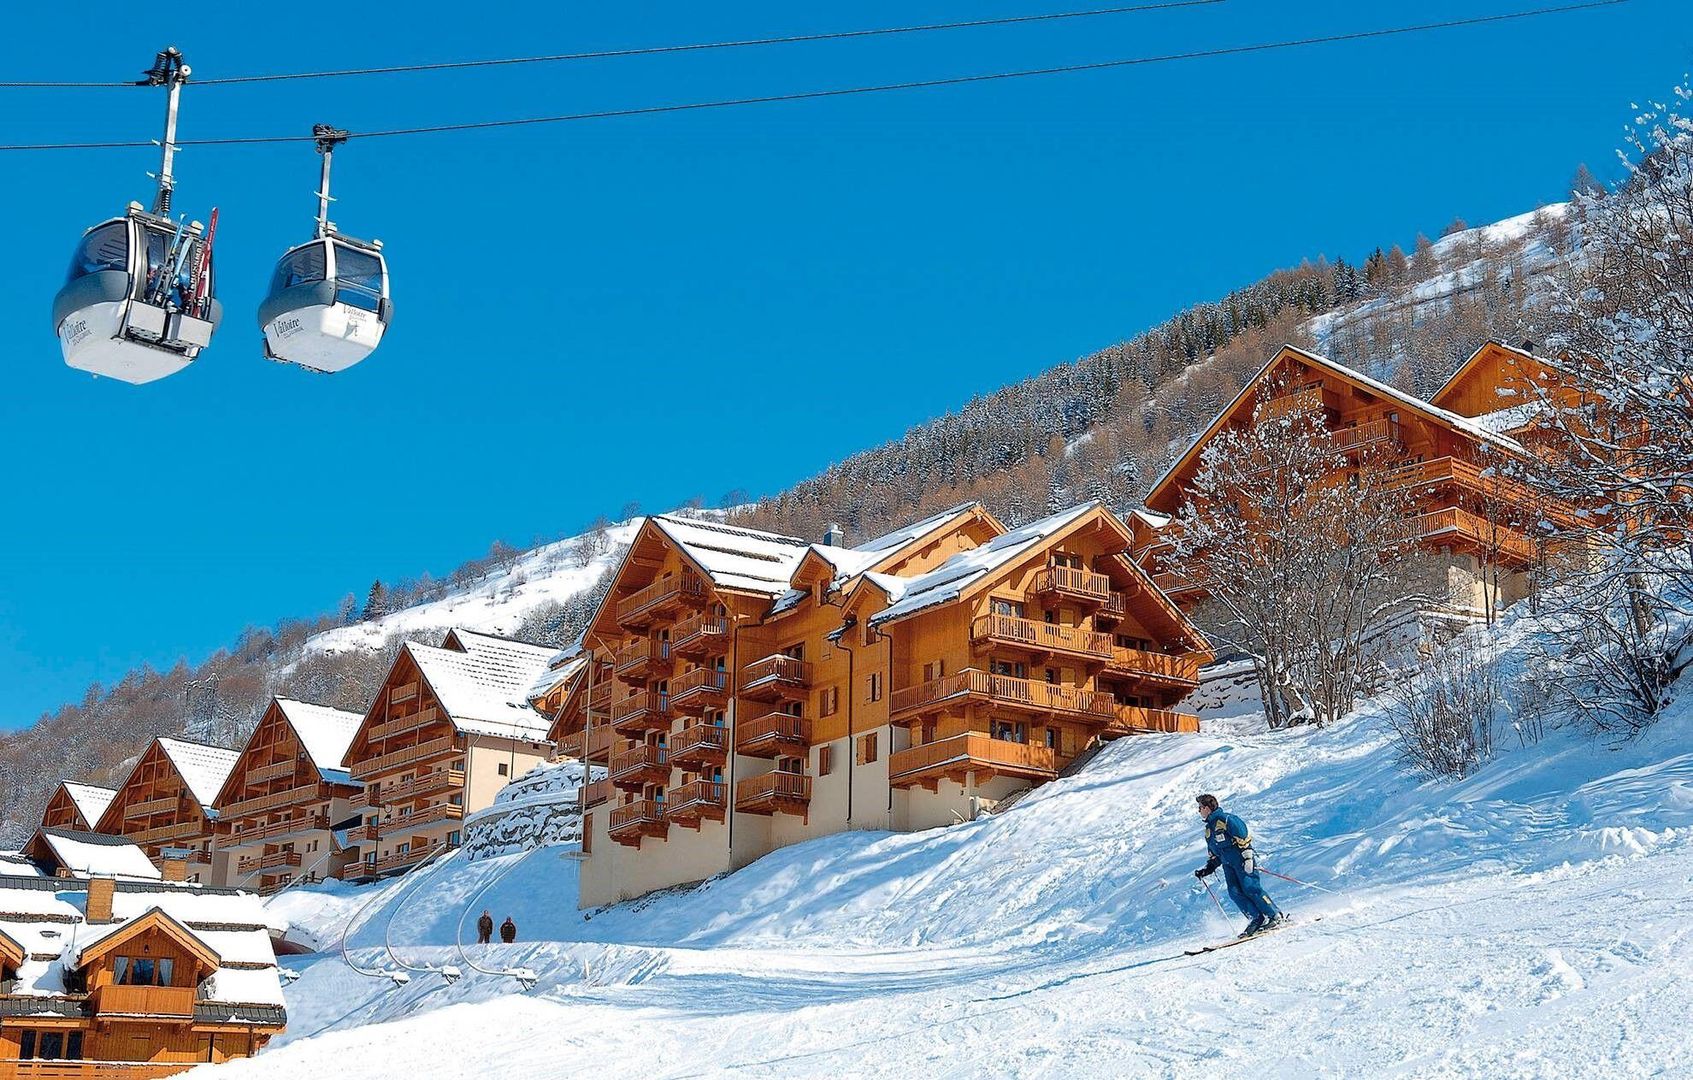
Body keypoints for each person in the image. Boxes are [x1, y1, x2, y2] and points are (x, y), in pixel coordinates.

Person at [1193, 793, 1286, 938]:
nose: (1199, 811)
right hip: (1228, 865)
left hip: (1242, 861)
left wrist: (1248, 857)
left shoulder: (1227, 819)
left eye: (1200, 808)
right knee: (1234, 892)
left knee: (1251, 887)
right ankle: (1256, 919)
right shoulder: (1209, 831)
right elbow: (1215, 854)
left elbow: (1243, 836)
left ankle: (1275, 915)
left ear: (1207, 808)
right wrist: (1207, 869)